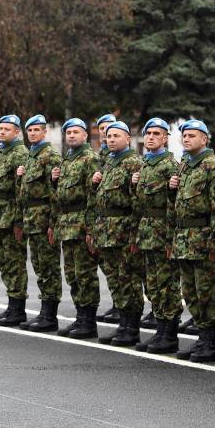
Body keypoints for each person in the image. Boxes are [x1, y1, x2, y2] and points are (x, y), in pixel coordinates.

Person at [170, 119, 215, 362]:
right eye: (185, 135)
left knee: (207, 294)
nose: (187, 139)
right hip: (184, 239)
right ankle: (202, 338)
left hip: (203, 239)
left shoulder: (213, 166)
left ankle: (211, 344)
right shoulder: (185, 165)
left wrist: (214, 243)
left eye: (192, 135)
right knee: (190, 292)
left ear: (205, 139)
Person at [131, 118, 182, 353]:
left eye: (156, 134)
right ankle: (160, 329)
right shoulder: (145, 164)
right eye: (148, 133)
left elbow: (174, 206)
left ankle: (169, 333)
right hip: (147, 233)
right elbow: (139, 204)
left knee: (166, 285)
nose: (151, 137)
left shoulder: (170, 166)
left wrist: (171, 238)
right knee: (153, 284)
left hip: (162, 234)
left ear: (165, 139)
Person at [91, 120, 143, 346]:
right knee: (115, 280)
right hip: (106, 231)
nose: (110, 140)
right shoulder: (110, 162)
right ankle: (123, 323)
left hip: (123, 231)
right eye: (108, 137)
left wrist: (133, 235)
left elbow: (137, 204)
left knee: (128, 279)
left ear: (127, 139)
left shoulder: (133, 163)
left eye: (115, 137)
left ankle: (132, 327)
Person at [51, 118, 101, 338]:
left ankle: (89, 321)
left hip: (81, 224)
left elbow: (93, 197)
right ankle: (81, 317)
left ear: (85, 136)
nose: (71, 135)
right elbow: (61, 196)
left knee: (85, 274)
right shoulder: (67, 160)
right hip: (66, 224)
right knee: (72, 274)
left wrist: (90, 229)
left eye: (76, 132)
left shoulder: (90, 159)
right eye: (68, 132)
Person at [17, 114, 63, 332]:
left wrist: (53, 224)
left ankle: (50, 315)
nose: (33, 133)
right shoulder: (31, 157)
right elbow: (25, 192)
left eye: (37, 130)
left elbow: (55, 193)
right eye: (30, 130)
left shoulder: (50, 156)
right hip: (31, 220)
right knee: (39, 266)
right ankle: (44, 311)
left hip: (44, 220)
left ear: (45, 132)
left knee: (49, 267)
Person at [0, 115, 29, 326]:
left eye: (7, 129)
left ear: (16, 132)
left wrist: (19, 221)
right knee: (5, 262)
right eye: (0, 128)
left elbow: (21, 191)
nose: (2, 132)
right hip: (0, 216)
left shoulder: (20, 153)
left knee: (15, 263)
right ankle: (12, 306)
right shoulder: (4, 152)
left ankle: (18, 309)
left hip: (12, 216)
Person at [93, 113, 122, 325]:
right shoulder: (102, 157)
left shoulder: (120, 158)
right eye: (103, 129)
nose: (105, 133)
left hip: (118, 224)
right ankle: (117, 305)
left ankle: (124, 309)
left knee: (123, 271)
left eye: (110, 129)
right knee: (110, 269)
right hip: (103, 221)